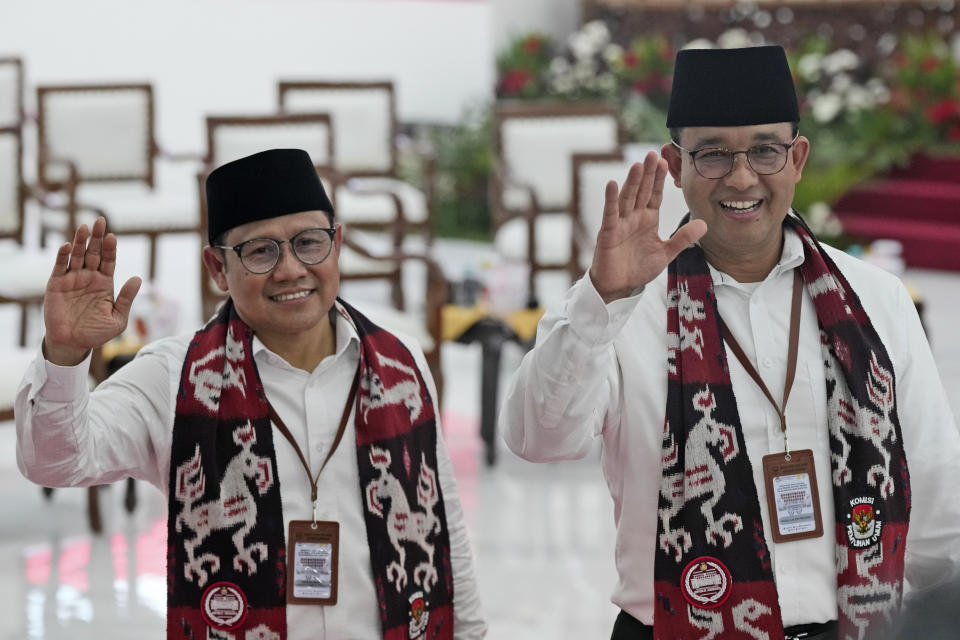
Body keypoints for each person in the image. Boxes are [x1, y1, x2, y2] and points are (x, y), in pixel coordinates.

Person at [499, 45, 960, 640]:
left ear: (797, 158)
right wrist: (601, 303)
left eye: (765, 150)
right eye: (713, 154)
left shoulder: (875, 299)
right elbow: (538, 439)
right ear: (676, 163)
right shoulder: (619, 308)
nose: (741, 178)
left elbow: (935, 485)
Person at [15, 148, 487, 640]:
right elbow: (55, 462)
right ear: (218, 268)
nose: (290, 270)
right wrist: (65, 354)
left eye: (308, 242)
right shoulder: (174, 377)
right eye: (260, 251)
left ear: (337, 244)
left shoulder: (399, 363)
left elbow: (442, 525)